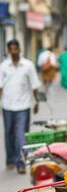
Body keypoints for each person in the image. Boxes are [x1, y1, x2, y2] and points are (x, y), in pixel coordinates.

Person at [0, 39, 41, 174]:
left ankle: (20, 161)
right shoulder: (4, 66)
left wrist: (36, 102)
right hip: (7, 105)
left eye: (15, 49)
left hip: (23, 105)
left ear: (19, 49)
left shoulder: (28, 65)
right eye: (11, 49)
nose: (13, 51)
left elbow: (35, 85)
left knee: (20, 135)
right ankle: (10, 159)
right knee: (9, 134)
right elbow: (0, 87)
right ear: (9, 51)